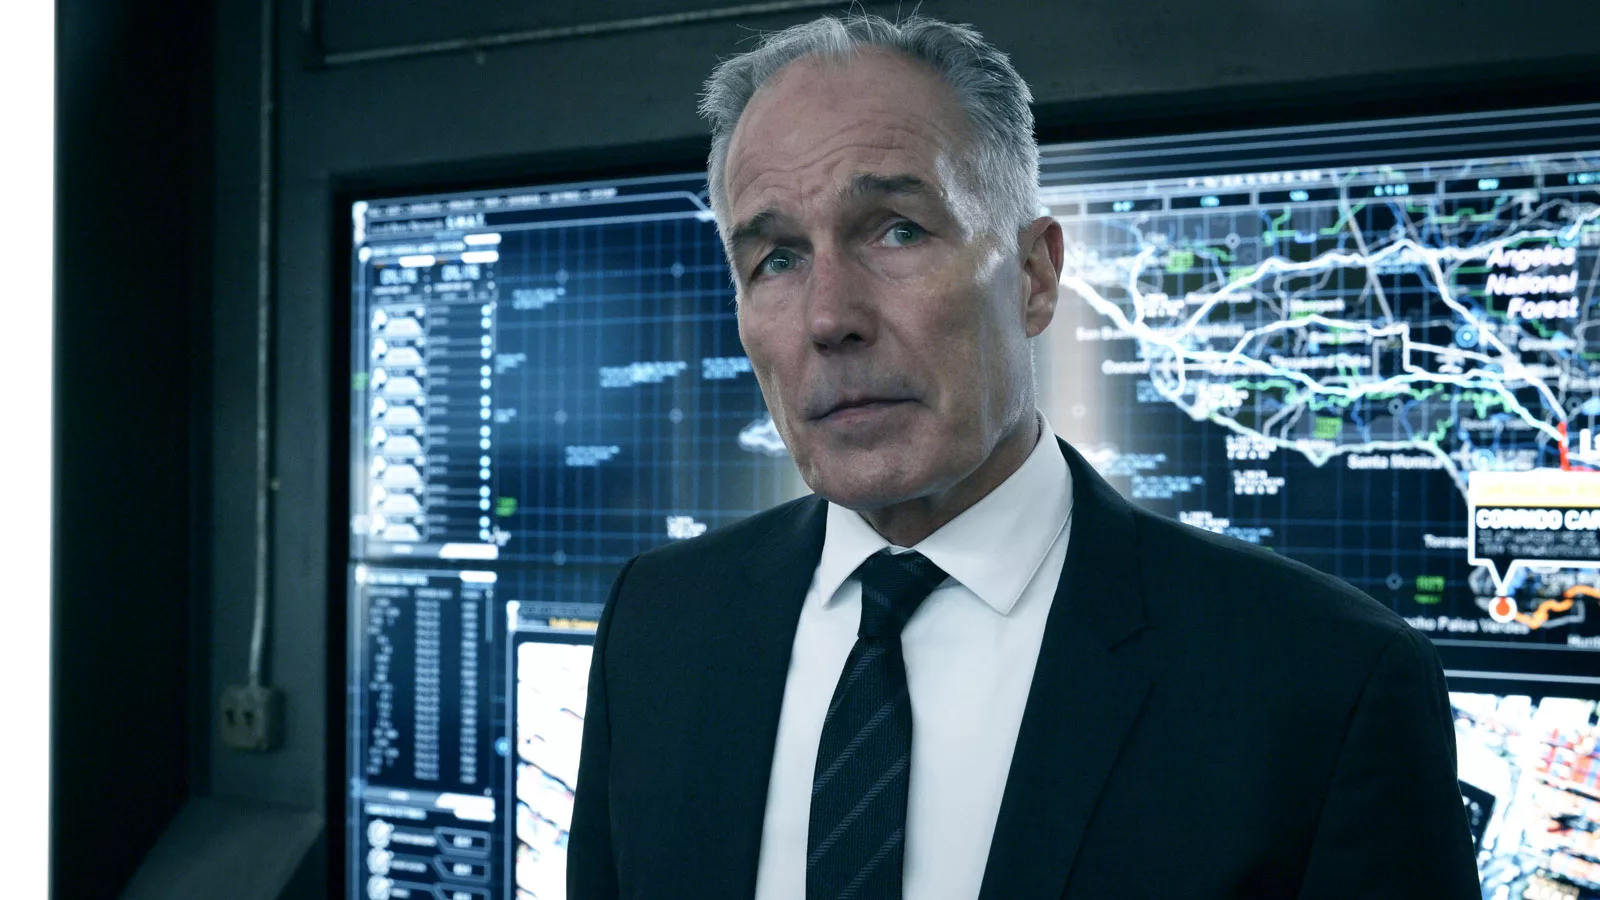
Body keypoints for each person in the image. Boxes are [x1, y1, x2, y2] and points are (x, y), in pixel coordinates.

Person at [568, 13, 1481, 900]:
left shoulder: (1327, 683)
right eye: (776, 258)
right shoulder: (656, 627)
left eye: (897, 229)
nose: (829, 316)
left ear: (1035, 276)